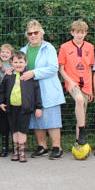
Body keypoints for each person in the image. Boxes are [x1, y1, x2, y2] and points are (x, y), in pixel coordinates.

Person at [21, 20, 65, 160]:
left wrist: (34, 73)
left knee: (52, 119)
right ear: (27, 35)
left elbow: (53, 68)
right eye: (30, 33)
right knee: (36, 119)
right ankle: (42, 147)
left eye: (36, 32)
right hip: (31, 90)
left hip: (48, 89)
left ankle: (57, 147)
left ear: (41, 33)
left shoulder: (49, 48)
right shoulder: (23, 50)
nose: (33, 35)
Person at [0, 51, 43, 163]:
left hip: (25, 109)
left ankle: (22, 153)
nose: (18, 64)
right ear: (11, 63)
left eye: (21, 62)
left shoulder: (29, 76)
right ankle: (16, 152)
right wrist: (0, 102)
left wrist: (38, 107)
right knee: (14, 130)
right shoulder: (8, 76)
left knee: (22, 130)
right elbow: (2, 91)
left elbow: (37, 92)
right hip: (11, 108)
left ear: (25, 62)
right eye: (16, 62)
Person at [58, 19, 95, 148]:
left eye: (82, 32)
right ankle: (83, 133)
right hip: (72, 83)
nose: (79, 35)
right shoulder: (64, 47)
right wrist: (70, 81)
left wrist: (90, 90)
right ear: (72, 33)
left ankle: (79, 143)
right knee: (79, 99)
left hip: (86, 84)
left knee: (81, 115)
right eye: (77, 32)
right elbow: (61, 69)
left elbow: (89, 69)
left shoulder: (90, 47)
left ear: (86, 33)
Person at [0, 44, 14, 157]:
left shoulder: (14, 65)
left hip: (14, 97)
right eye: (3, 52)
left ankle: (16, 146)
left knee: (13, 122)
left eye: (7, 52)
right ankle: (5, 147)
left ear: (11, 55)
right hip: (2, 98)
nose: (4, 54)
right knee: (3, 123)